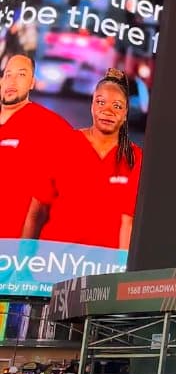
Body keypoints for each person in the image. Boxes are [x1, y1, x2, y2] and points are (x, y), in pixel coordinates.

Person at [23, 69, 143, 249]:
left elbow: (131, 224)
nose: (107, 111)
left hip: (104, 270)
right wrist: (22, 263)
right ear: (92, 105)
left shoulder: (136, 158)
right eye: (100, 102)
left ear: (126, 112)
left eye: (117, 106)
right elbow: (37, 212)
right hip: (54, 264)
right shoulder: (62, 144)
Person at [0, 55, 74, 238]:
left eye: (21, 74)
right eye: (8, 74)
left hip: (17, 250)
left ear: (32, 83)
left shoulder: (50, 126)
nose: (12, 80)